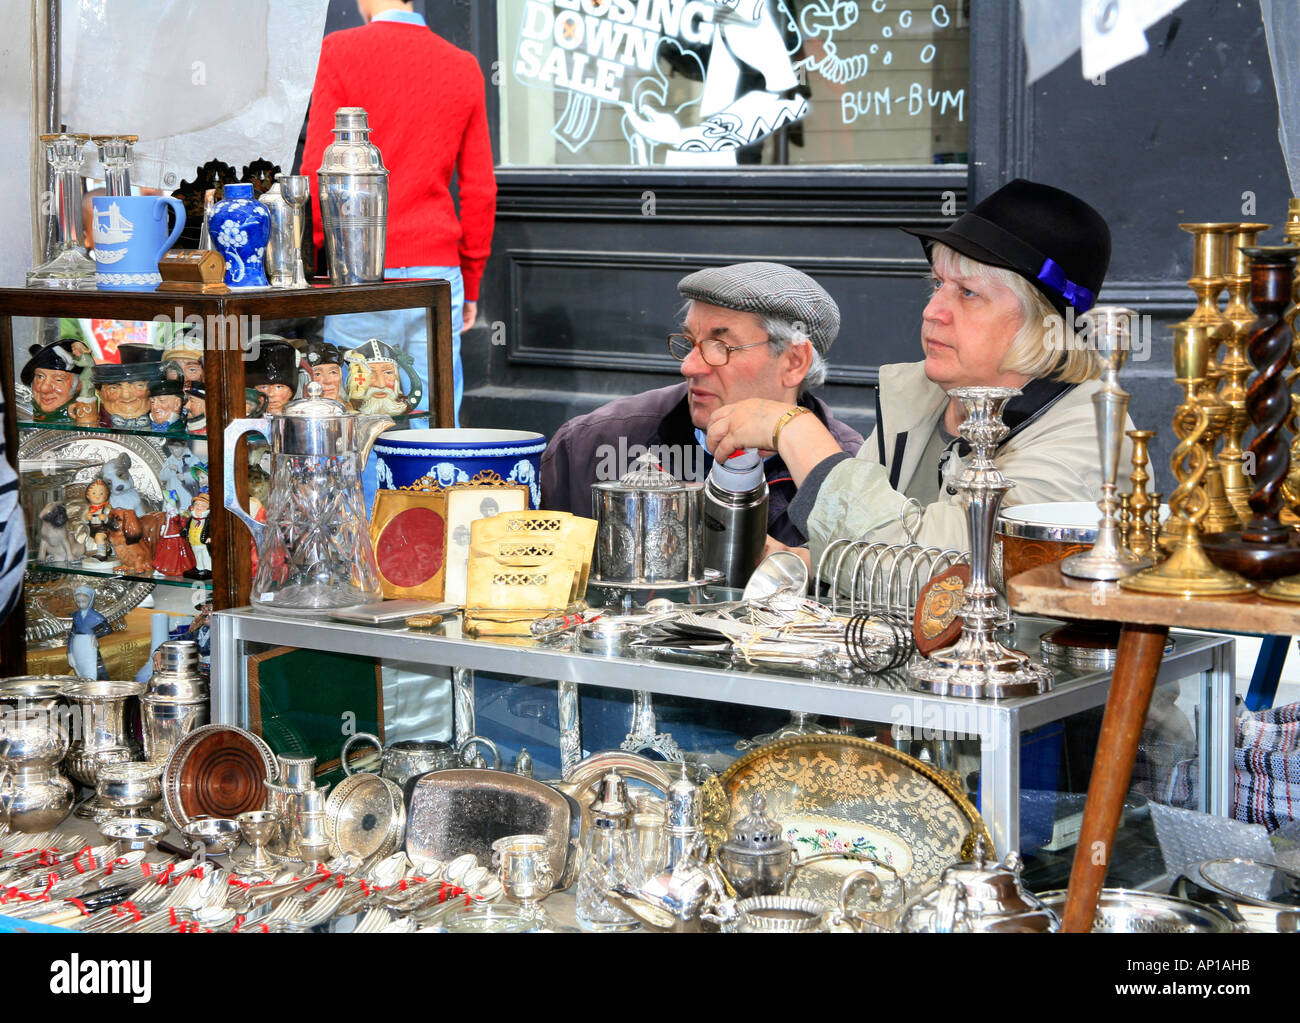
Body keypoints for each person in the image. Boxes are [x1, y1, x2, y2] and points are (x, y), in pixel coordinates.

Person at [703, 179, 1120, 570]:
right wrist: (793, 565)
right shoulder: (920, 396)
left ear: (1040, 322)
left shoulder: (1086, 441)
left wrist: (795, 430)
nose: (932, 311)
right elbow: (858, 553)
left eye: (968, 293)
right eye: (937, 284)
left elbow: (949, 578)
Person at [542, 262, 863, 548]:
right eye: (691, 342)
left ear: (794, 361)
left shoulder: (851, 471)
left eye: (720, 346)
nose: (690, 367)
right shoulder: (595, 443)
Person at [301, 0, 497, 426]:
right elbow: (480, 187)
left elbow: (319, 169)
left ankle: (372, 497)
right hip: (438, 270)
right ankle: (441, 492)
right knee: (439, 419)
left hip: (359, 269)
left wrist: (322, 257)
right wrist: (474, 278)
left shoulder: (339, 50)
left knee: (359, 420)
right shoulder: (463, 65)